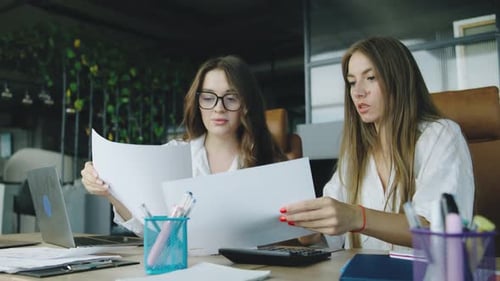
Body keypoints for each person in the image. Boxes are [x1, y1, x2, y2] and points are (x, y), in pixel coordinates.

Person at [279, 37, 474, 251]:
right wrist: (312, 231)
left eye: (370, 78)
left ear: (399, 79)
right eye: (352, 82)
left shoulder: (441, 136)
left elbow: (441, 232)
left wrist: (357, 217)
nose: (358, 91)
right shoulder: (356, 152)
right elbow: (333, 233)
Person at [82, 55, 287, 235]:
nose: (218, 108)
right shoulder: (173, 154)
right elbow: (151, 231)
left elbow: (298, 236)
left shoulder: (268, 158)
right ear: (197, 103)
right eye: (208, 98)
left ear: (247, 104)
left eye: (231, 98)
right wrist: (108, 190)